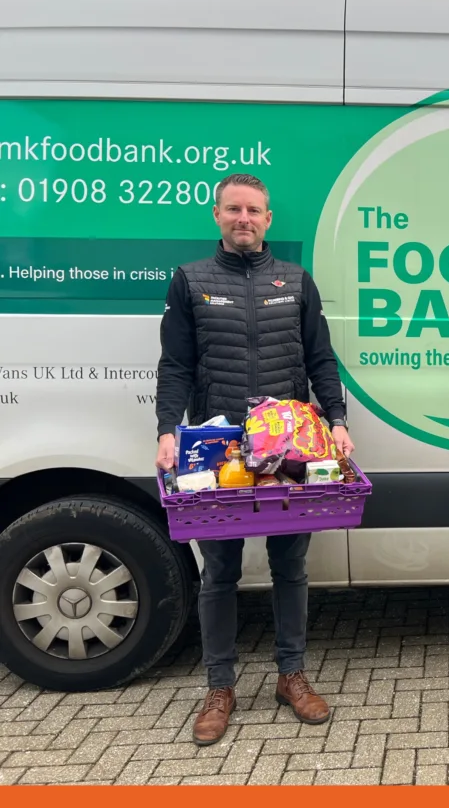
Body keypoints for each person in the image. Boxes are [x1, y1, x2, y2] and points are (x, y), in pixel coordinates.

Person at [155, 173, 354, 747]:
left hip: (290, 449)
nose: (245, 218)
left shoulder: (295, 281)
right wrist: (168, 430)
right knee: (219, 573)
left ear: (269, 220)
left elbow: (321, 357)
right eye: (234, 209)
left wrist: (337, 422)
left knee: (291, 567)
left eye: (255, 210)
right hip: (217, 449)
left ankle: (291, 676)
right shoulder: (191, 281)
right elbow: (175, 365)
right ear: (217, 215)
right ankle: (220, 687)